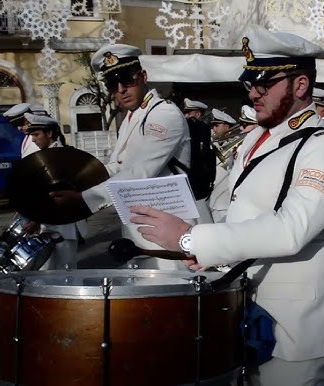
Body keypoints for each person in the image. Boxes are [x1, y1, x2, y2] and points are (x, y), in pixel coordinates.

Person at [129, 25, 324, 385]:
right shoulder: (259, 141)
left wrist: (192, 238)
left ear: (300, 85)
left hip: (294, 325)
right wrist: (211, 253)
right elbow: (242, 214)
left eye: (263, 83)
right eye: (249, 83)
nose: (252, 94)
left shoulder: (323, 146)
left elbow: (291, 230)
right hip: (246, 309)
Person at [50, 43, 212, 269]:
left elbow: (139, 172)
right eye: (112, 84)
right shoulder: (133, 117)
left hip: (169, 229)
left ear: (143, 76)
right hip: (138, 228)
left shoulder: (163, 114)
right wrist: (77, 182)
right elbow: (117, 166)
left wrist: (85, 199)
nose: (121, 89)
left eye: (127, 80)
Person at [24, 113, 87, 269]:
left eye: (36, 134)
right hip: (51, 225)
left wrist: (35, 221)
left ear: (50, 133)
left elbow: (56, 194)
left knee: (65, 274)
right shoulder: (47, 156)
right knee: (49, 273)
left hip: (64, 226)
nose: (33, 139)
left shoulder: (61, 157)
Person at [209, 108, 239, 223]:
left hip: (224, 201)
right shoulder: (214, 143)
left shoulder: (234, 143)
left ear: (227, 126)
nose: (213, 129)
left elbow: (224, 162)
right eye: (213, 126)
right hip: (213, 198)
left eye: (217, 125)